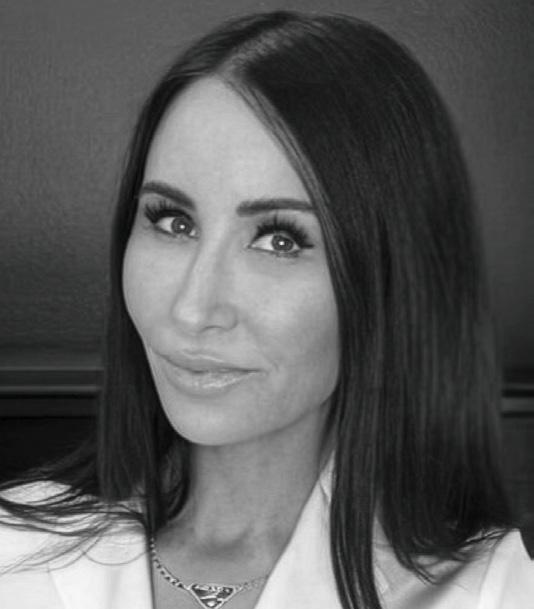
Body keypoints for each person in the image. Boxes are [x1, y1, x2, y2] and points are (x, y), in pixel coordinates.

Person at [0, 10, 532, 609]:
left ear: (392, 278)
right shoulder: (9, 550)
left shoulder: (497, 591)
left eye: (280, 240)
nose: (193, 308)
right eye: (173, 222)